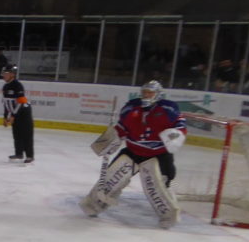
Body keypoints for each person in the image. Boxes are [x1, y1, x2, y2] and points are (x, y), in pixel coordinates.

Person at [80, 80, 187, 228]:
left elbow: (180, 125)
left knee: (158, 186)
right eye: (145, 92)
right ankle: (92, 205)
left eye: (151, 92)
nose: (147, 95)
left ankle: (168, 216)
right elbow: (121, 128)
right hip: (133, 151)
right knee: (111, 178)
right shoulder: (131, 107)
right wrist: (109, 140)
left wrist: (176, 135)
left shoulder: (169, 108)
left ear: (158, 94)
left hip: (158, 154)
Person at [1, 65, 35, 163]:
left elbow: (21, 102)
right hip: (15, 113)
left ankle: (29, 156)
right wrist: (5, 117)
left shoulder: (18, 85)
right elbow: (6, 103)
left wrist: (13, 116)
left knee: (26, 134)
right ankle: (19, 153)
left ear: (12, 74)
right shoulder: (5, 87)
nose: (3, 75)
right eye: (3, 73)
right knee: (17, 134)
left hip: (24, 113)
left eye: (6, 73)